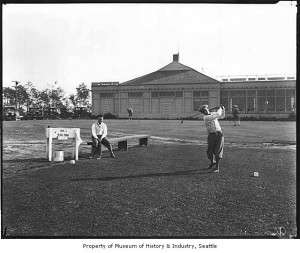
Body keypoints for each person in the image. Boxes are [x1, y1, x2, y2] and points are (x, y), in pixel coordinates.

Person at [199, 104, 225, 173]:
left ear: (207, 109)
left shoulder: (212, 114)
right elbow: (218, 114)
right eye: (203, 111)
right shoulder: (206, 118)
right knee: (209, 152)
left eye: (206, 109)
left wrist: (223, 109)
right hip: (211, 135)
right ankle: (212, 162)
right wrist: (220, 108)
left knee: (218, 151)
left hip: (219, 134)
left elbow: (222, 116)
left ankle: (217, 167)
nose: (205, 111)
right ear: (203, 112)